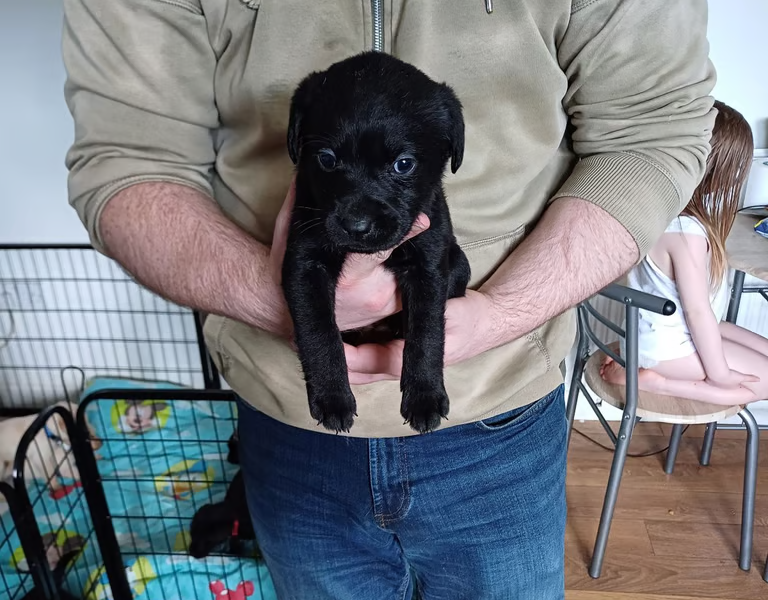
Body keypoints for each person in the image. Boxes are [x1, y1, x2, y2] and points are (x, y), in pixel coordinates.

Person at [60, 1, 716, 598]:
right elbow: (126, 158)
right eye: (325, 159)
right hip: (287, 413)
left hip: (499, 413)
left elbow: (651, 134)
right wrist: (292, 305)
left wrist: (503, 314)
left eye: (401, 166)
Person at [601, 101, 768, 406]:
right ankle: (657, 383)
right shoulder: (686, 232)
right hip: (663, 352)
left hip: (653, 336)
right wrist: (718, 374)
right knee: (762, 382)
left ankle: (659, 376)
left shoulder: (657, 208)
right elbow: (696, 312)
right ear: (722, 173)